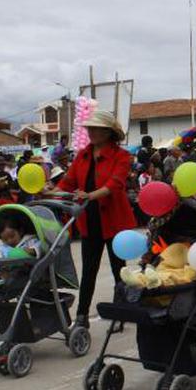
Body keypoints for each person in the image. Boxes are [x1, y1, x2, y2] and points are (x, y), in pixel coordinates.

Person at [56, 111, 136, 328]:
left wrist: (90, 195)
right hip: (89, 219)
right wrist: (52, 191)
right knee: (89, 271)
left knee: (118, 270)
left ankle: (120, 314)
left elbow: (115, 184)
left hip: (114, 220)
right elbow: (68, 181)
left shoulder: (121, 156)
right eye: (89, 128)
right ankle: (82, 316)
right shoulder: (82, 155)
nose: (90, 132)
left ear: (108, 132)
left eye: (96, 128)